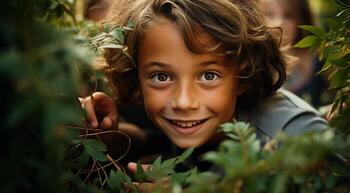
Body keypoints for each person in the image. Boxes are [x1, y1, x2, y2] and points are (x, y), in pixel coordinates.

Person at [79, 0, 328, 172]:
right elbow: (156, 141)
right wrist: (108, 135)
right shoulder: (200, 122)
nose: (184, 101)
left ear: (243, 74)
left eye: (208, 76)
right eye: (161, 77)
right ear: (137, 75)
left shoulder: (296, 137)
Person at [259, 0, 328, 108]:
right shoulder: (252, 63)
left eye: (288, 16)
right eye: (270, 14)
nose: (279, 23)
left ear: (301, 20)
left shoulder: (321, 59)